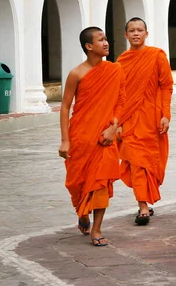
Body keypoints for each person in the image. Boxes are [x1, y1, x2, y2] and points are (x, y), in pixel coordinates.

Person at [58, 26, 125, 246]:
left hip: (105, 137)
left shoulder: (115, 70)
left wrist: (113, 128)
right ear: (89, 46)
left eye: (106, 39)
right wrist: (65, 140)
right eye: (100, 40)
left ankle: (97, 229)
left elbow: (121, 103)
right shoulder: (76, 73)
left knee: (101, 183)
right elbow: (65, 106)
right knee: (77, 183)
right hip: (80, 136)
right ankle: (82, 211)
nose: (106, 43)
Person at [116, 17, 174, 226]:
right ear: (126, 34)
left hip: (152, 119)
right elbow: (118, 95)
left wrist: (166, 114)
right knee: (136, 164)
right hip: (130, 121)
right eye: (131, 30)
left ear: (146, 33)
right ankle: (142, 206)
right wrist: (118, 123)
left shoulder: (156, 56)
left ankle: (144, 201)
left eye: (140, 30)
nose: (136, 33)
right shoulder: (121, 61)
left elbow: (167, 85)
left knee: (149, 164)